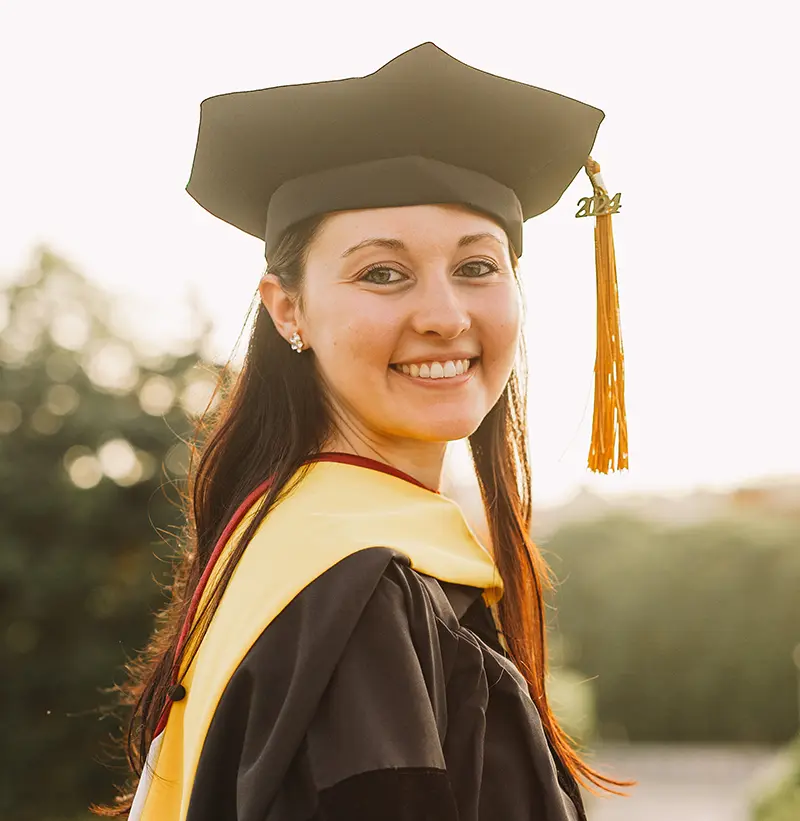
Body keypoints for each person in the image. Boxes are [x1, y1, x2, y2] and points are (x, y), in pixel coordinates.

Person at [94, 42, 633, 820]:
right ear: (288, 310)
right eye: (383, 272)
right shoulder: (357, 593)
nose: (445, 315)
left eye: (477, 267)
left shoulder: (279, 549)